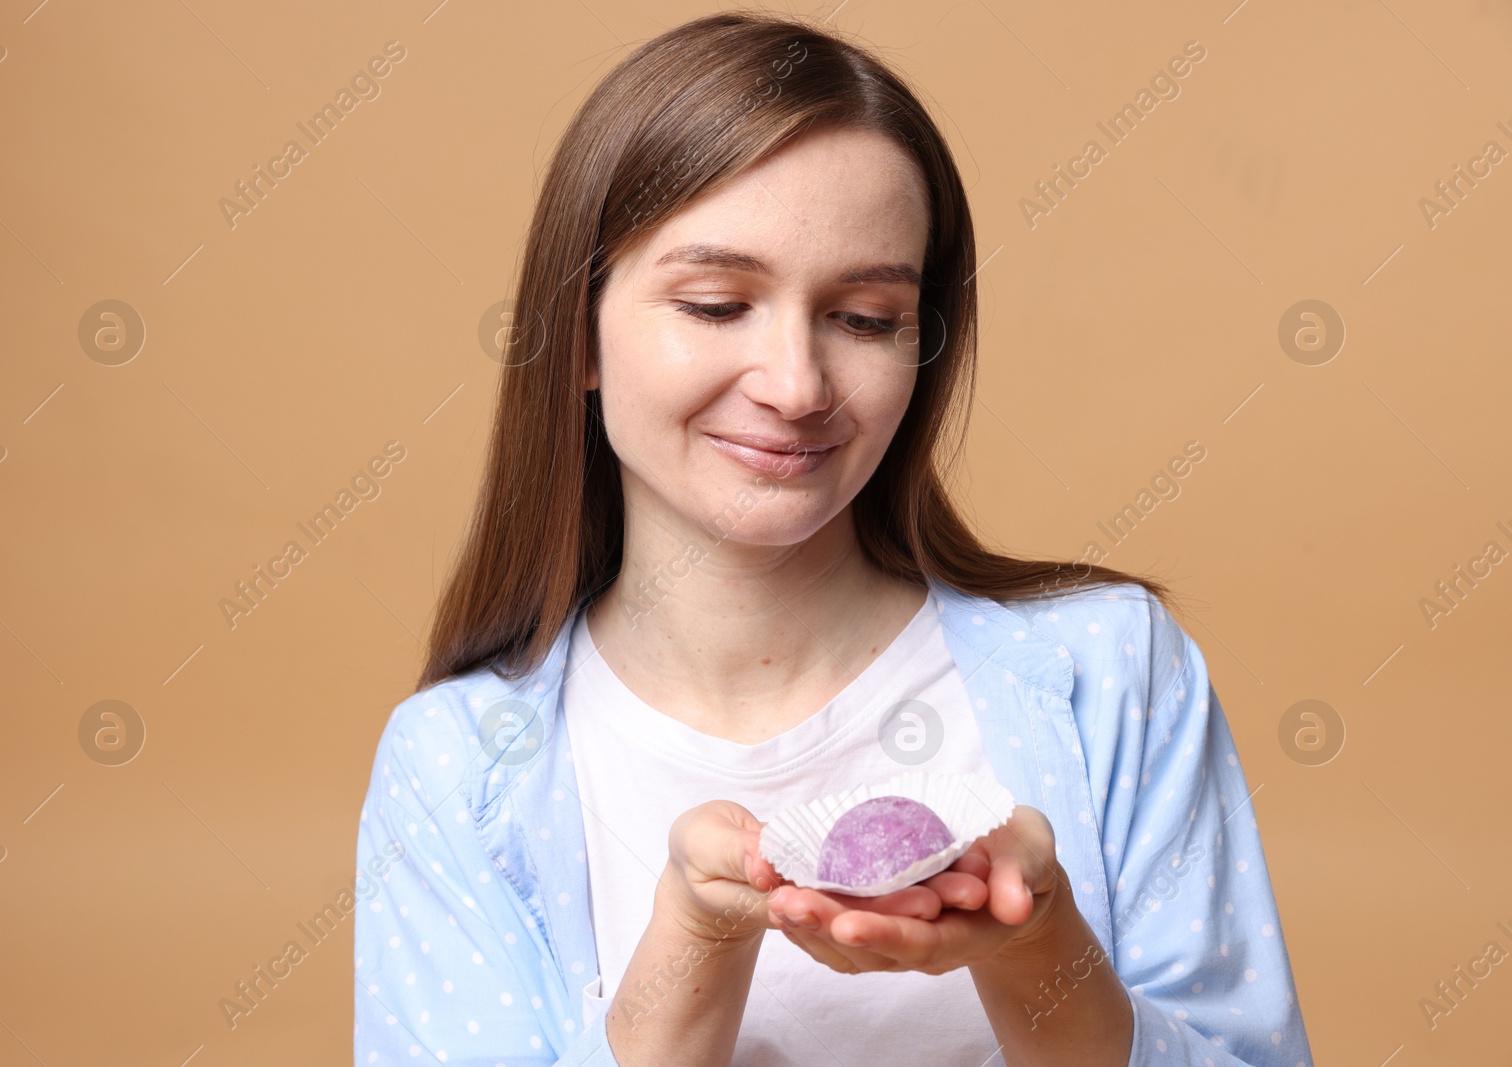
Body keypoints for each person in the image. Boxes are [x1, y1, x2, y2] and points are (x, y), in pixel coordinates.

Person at [354, 11, 1313, 1066]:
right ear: (577, 334)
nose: (796, 386)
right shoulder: (457, 767)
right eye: (718, 304)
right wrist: (690, 952)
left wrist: (1040, 948)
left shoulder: (1112, 673)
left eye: (863, 319)